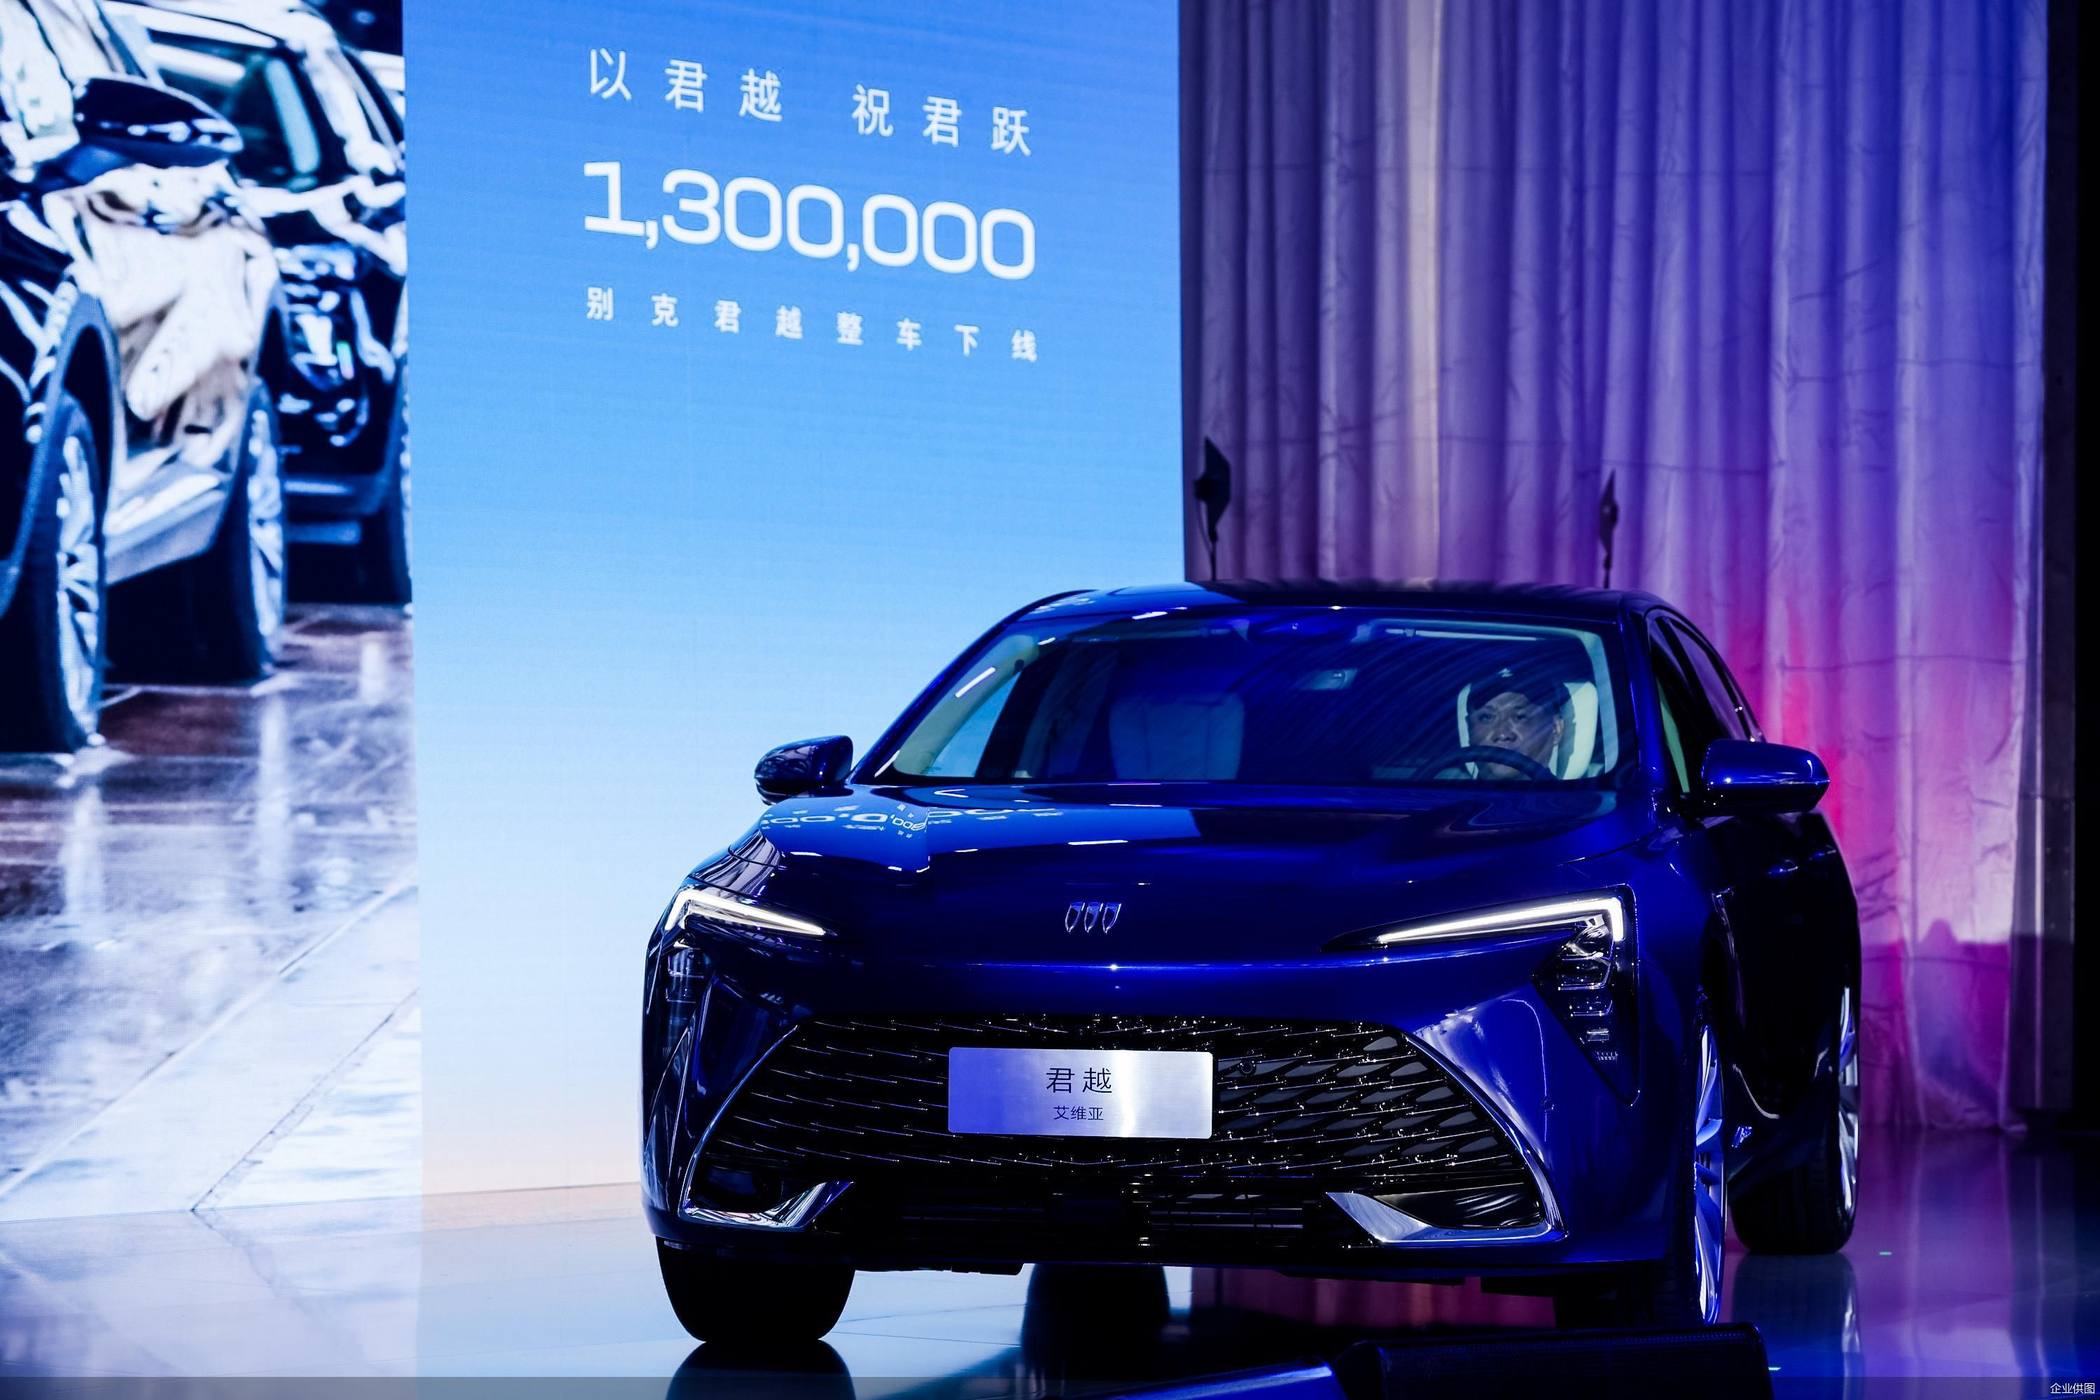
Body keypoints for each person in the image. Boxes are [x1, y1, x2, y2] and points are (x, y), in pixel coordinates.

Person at [1462, 665, 1569, 780]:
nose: (1503, 734)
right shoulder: (1448, 786)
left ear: (1556, 729)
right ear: (1469, 729)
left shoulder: (1576, 792)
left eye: (1520, 717)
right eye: (1487, 717)